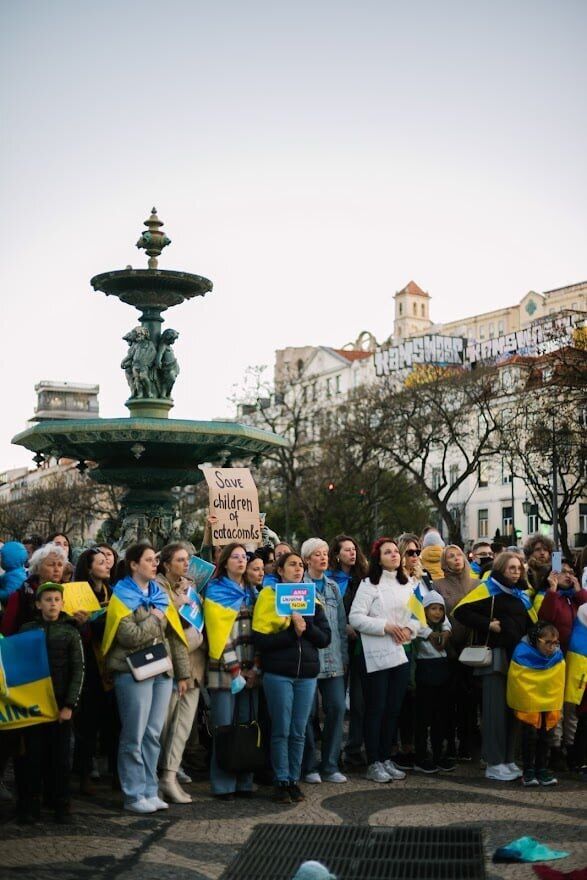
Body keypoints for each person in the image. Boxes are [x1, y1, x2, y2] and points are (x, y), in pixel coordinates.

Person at [102, 542, 190, 814]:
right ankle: (133, 794)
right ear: (133, 565)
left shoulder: (159, 595)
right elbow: (128, 636)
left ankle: (150, 790)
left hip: (161, 669)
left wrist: (183, 672)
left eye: (156, 559)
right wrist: (153, 618)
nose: (155, 563)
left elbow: (173, 635)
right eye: (149, 560)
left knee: (153, 734)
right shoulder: (121, 596)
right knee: (134, 734)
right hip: (132, 671)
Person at [253, 551, 331, 803]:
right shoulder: (268, 596)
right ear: (280, 571)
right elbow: (262, 641)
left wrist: (304, 628)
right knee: (281, 729)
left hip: (306, 675)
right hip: (279, 674)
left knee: (299, 730)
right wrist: (291, 632)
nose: (298, 569)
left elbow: (324, 638)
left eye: (300, 565)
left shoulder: (312, 599)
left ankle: (293, 780)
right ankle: (281, 779)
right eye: (292, 565)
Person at [453, 551, 536, 782]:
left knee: (512, 712)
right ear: (500, 569)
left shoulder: (522, 595)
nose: (516, 571)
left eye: (519, 568)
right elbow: (460, 611)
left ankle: (508, 759)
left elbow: (533, 623)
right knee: (494, 713)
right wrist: (488, 625)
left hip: (519, 661)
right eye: (511, 568)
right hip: (496, 659)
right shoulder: (487, 588)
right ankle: (493, 762)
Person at [349, 538, 419, 783]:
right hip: (374, 653)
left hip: (401, 651)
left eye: (395, 552)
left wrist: (410, 629)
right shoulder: (369, 584)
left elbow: (417, 614)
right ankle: (373, 761)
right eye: (387, 552)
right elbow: (355, 618)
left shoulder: (408, 583)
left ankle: (386, 757)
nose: (394, 555)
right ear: (378, 558)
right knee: (376, 707)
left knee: (393, 708)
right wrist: (386, 626)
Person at [19, 582, 85, 824]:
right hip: (34, 705)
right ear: (38, 604)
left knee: (60, 758)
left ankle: (60, 804)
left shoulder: (70, 632)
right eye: (47, 599)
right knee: (32, 757)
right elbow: (19, 668)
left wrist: (69, 705)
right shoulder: (27, 630)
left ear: (63, 603)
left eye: (57, 599)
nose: (53, 604)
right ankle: (29, 805)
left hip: (60, 704)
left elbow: (79, 669)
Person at [203, 542, 260, 799]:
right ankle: (223, 783)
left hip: (250, 670)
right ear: (224, 562)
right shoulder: (215, 590)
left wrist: (255, 667)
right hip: (225, 669)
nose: (240, 561)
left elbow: (261, 629)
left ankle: (244, 779)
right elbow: (218, 634)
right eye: (235, 557)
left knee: (246, 725)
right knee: (224, 727)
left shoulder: (252, 591)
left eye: (243, 557)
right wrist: (236, 669)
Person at [300, 538, 348, 785]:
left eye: (325, 553)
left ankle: (330, 764)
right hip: (308, 661)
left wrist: (345, 657)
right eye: (317, 554)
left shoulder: (333, 588)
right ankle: (309, 765)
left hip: (334, 660)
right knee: (307, 715)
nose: (323, 557)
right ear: (307, 559)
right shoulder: (299, 587)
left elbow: (340, 625)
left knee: (337, 708)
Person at [158, 571, 204, 803]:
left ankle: (170, 775)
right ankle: (158, 776)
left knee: (182, 727)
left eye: (187, 560)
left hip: (194, 670)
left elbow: (201, 627)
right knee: (164, 727)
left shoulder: (194, 593)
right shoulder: (159, 590)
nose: (185, 566)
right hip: (170, 669)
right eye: (179, 560)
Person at [72, 547, 116, 794]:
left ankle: (112, 771)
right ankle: (84, 774)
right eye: (101, 562)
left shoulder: (112, 592)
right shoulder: (79, 593)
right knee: (87, 725)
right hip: (88, 665)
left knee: (110, 721)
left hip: (108, 663)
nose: (107, 565)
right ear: (88, 568)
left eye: (107, 561)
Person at [536, 560, 587, 769]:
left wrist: (579, 591)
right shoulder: (550, 597)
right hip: (556, 659)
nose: (568, 575)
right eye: (562, 572)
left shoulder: (574, 600)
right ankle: (555, 749)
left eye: (571, 572)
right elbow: (545, 618)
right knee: (557, 706)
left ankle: (571, 747)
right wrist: (553, 590)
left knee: (572, 706)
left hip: (575, 661)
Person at [507, 621, 565, 786]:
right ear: (536, 639)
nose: (552, 647)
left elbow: (558, 679)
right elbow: (518, 680)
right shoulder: (522, 652)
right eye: (548, 642)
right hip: (530, 703)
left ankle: (542, 769)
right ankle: (528, 770)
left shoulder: (557, 655)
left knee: (546, 736)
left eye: (555, 643)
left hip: (549, 702)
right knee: (530, 736)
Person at [327, 535, 368, 768]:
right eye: (346, 550)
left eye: (354, 549)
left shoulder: (364, 578)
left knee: (360, 702)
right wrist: (345, 627)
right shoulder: (330, 579)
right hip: (337, 645)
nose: (352, 553)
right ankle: (332, 753)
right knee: (336, 703)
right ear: (337, 554)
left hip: (361, 646)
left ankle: (354, 748)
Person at [434, 544, 477, 761]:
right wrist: (449, 647)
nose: (456, 559)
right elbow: (438, 618)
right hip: (450, 650)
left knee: (470, 700)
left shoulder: (477, 584)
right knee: (449, 699)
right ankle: (449, 743)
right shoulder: (438, 585)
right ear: (444, 563)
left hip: (473, 650)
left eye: (459, 554)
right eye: (450, 556)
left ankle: (468, 744)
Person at [413, 591, 454, 774]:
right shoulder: (421, 627)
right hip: (425, 670)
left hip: (442, 670)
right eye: (432, 609)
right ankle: (421, 755)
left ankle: (438, 754)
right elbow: (416, 625)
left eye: (440, 609)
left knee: (441, 716)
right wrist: (429, 632)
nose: (437, 613)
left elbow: (447, 626)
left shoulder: (444, 628)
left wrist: (444, 631)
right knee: (423, 717)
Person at [1, 543, 67, 635]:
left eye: (60, 565)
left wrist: (82, 623)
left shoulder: (69, 592)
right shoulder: (20, 596)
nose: (57, 569)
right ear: (38, 568)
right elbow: (6, 633)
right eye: (51, 565)